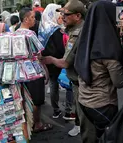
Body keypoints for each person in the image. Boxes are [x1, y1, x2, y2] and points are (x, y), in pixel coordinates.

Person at [41, 0, 97, 142]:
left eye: (66, 14)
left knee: (87, 125)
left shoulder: (77, 34)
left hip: (81, 84)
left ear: (78, 16)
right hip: (83, 81)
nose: (63, 17)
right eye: (62, 14)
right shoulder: (77, 29)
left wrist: (50, 59)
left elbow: (65, 63)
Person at [75, 1, 123, 141]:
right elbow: (119, 82)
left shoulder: (86, 38)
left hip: (84, 100)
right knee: (109, 137)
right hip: (102, 104)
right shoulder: (108, 49)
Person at [16, 7, 52, 133]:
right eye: (32, 17)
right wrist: (45, 70)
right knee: (37, 100)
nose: (35, 20)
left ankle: (27, 124)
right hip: (34, 72)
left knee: (25, 99)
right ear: (25, 19)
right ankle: (37, 124)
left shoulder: (15, 33)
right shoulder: (31, 34)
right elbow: (39, 55)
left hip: (20, 72)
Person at [38, 4, 66, 120]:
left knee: (53, 84)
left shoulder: (43, 28)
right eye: (59, 14)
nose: (61, 17)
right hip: (57, 60)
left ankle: (55, 110)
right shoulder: (56, 30)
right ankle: (68, 110)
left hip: (46, 60)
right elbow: (61, 48)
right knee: (65, 83)